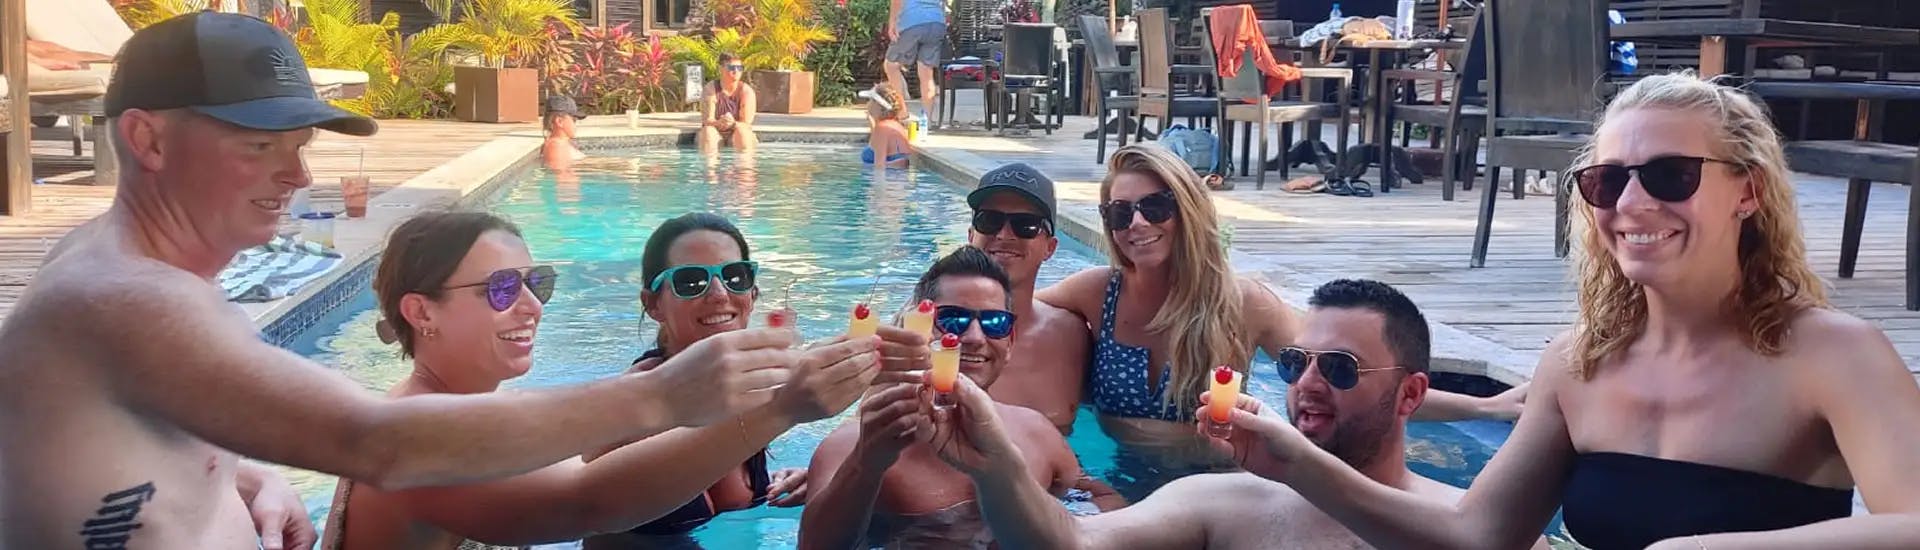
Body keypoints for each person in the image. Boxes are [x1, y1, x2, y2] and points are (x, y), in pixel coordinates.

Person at [0, 13, 803, 548]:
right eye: (259, 146)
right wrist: (668, 396)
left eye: (300, 144)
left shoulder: (121, 272)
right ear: (146, 138)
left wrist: (245, 475)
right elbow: (378, 446)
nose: (298, 174)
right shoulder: (126, 300)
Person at [1206, 72, 1920, 550]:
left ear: (1748, 192)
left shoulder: (1831, 356)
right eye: (1607, 181)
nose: (1633, 205)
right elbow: (1478, 535)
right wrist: (1296, 462)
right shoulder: (1581, 363)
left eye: (1670, 175)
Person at [323, 212, 880, 548]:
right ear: (423, 314)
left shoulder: (460, 416)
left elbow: (587, 473)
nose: (530, 307)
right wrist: (779, 409)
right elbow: (588, 501)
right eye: (499, 289)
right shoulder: (421, 438)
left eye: (535, 283)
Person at [924, 279, 1552, 549]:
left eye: (1339, 369)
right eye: (1296, 362)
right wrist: (995, 466)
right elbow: (1065, 542)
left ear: (1410, 396)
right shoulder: (1223, 503)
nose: (1307, 384)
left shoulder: (1475, 531)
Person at [1035, 144, 1527, 475]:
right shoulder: (1096, 293)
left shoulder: (1242, 303)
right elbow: (999, 327)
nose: (1137, 223)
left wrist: (1485, 407)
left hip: (1218, 486)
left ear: (1188, 209)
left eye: (1156, 207)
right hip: (1117, 475)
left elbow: (1351, 383)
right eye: (1120, 213)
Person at [583, 212, 918, 548]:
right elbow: (586, 506)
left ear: (752, 293)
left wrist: (815, 479)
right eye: (690, 281)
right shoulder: (634, 403)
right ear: (653, 304)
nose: (718, 294)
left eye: (734, 276)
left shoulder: (751, 386)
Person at [799, 246, 1126, 550]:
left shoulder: (1035, 431)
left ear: (1009, 343)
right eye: (953, 319)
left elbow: (1098, 497)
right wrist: (866, 466)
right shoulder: (856, 443)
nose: (973, 337)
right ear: (919, 327)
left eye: (994, 322)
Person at [961, 163, 1089, 433]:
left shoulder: (1073, 336)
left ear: (1050, 248)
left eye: (1026, 225)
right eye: (989, 220)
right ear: (971, 236)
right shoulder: (927, 332)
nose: (1004, 235)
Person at [885, 0, 944, 122]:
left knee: (890, 65)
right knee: (926, 72)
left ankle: (902, 113)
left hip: (912, 21)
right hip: (937, 21)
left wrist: (892, 22)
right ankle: (926, 120)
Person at [697, 53, 758, 152]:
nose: (736, 71)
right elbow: (707, 120)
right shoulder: (711, 89)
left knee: (742, 132)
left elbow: (746, 123)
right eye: (731, 67)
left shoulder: (746, 91)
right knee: (708, 132)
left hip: (737, 131)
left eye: (739, 68)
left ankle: (745, 165)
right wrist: (719, 122)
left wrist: (733, 123)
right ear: (721, 68)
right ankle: (710, 166)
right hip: (715, 131)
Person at [860, 83, 912, 168]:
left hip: (887, 178)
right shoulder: (896, 125)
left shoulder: (882, 128)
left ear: (878, 105)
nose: (867, 104)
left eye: (870, 100)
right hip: (896, 177)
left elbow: (880, 167)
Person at [542, 94, 587, 171]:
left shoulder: (560, 143)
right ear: (560, 121)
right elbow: (564, 178)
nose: (576, 125)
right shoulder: (557, 146)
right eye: (574, 120)